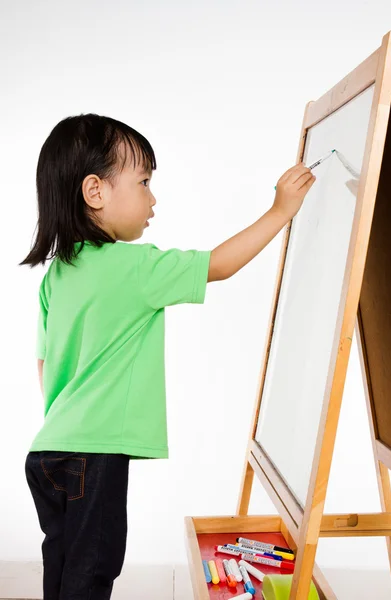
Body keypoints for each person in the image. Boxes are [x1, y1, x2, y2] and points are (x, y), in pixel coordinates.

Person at [21, 113, 315, 599]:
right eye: (143, 182)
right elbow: (217, 265)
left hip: (48, 452)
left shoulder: (57, 275)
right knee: (93, 570)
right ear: (95, 192)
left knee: (63, 565)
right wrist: (281, 211)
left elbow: (44, 366)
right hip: (94, 455)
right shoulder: (135, 266)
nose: (152, 198)